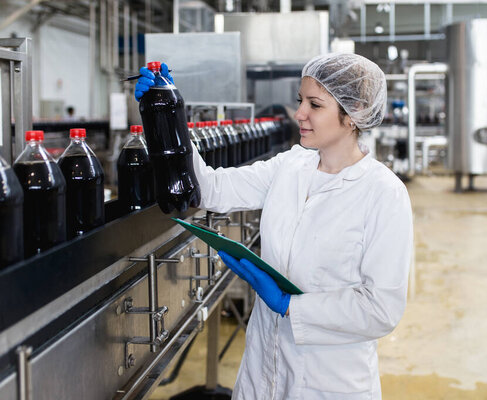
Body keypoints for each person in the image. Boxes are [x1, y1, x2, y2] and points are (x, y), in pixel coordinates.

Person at [135, 53, 413, 399]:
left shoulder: (383, 193)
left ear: (352, 112)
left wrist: (291, 306)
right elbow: (211, 189)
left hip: (329, 382)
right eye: (301, 101)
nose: (299, 114)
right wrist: (168, 121)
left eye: (315, 104)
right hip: (261, 370)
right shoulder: (292, 165)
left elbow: (381, 309)